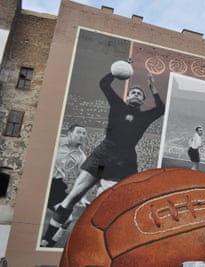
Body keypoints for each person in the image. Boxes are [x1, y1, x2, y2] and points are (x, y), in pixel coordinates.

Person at [41, 71, 165, 247]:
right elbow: (104, 84)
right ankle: (47, 238)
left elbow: (161, 109)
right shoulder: (118, 106)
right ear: (128, 97)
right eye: (133, 92)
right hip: (102, 157)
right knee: (75, 195)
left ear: (142, 101)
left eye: (139, 93)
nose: (136, 94)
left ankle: (95, 241)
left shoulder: (145, 116)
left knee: (112, 205)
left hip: (124, 163)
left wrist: (153, 88)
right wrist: (115, 73)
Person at [47, 124, 88, 211]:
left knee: (67, 217)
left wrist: (83, 197)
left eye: (84, 133)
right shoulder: (56, 142)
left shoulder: (81, 156)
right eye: (79, 132)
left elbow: (83, 179)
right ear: (69, 134)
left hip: (56, 184)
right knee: (62, 212)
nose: (81, 135)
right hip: (42, 179)